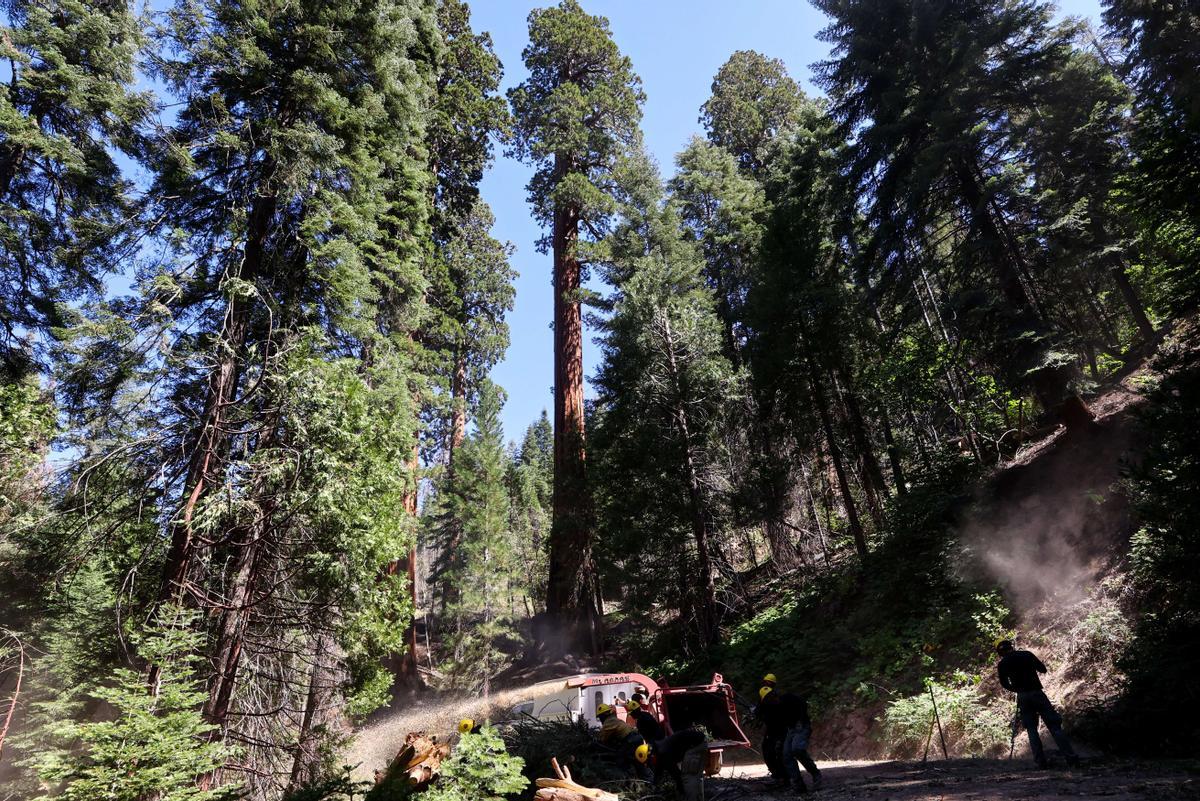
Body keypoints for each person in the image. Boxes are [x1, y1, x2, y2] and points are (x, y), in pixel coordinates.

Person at [996, 640, 1080, 768]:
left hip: (1023, 697)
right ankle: (1071, 759)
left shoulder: (1002, 664)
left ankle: (1040, 762)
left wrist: (1016, 689)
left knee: (1031, 729)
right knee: (1054, 726)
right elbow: (1043, 669)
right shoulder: (1026, 655)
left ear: (1001, 653)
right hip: (1037, 693)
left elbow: (1004, 683)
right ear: (1012, 647)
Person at [596, 703, 651, 780]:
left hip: (631, 741)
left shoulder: (608, 722)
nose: (600, 720)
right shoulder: (614, 719)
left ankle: (627, 780)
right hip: (636, 738)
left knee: (621, 760)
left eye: (600, 717)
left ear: (603, 715)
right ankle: (648, 780)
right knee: (638, 762)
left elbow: (602, 738)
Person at [655, 725, 708, 800]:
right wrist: (655, 781)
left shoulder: (663, 754)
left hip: (696, 746)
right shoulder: (660, 747)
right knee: (696, 776)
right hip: (701, 743)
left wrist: (681, 789)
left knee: (688, 777)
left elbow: (676, 774)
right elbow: (659, 768)